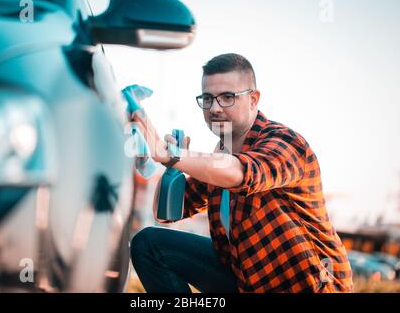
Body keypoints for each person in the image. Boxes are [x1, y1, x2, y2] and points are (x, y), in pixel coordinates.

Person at [130, 53, 353, 293]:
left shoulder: (285, 142)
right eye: (207, 98)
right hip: (249, 282)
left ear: (253, 99)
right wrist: (170, 168)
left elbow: (243, 173)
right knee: (148, 244)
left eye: (227, 97)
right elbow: (167, 213)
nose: (214, 108)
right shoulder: (219, 158)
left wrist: (170, 153)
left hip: (308, 285)